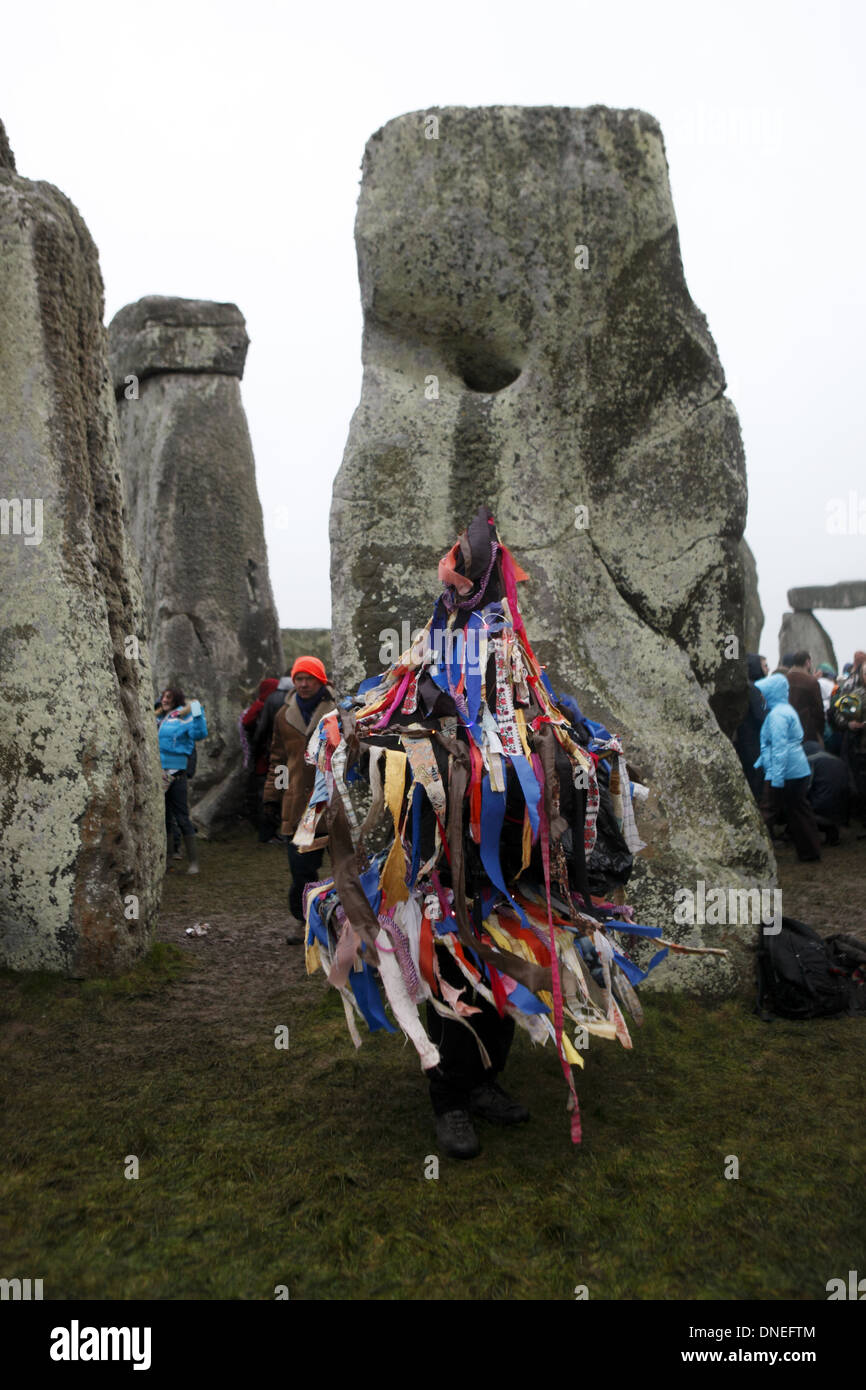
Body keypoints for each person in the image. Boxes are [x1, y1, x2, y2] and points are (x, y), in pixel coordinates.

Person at [263, 657, 337, 942]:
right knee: (302, 869)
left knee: (344, 866)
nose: (304, 684)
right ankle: (307, 922)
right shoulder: (284, 715)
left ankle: (346, 921)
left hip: (333, 801)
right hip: (298, 805)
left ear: (321, 681)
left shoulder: (337, 711)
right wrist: (272, 798)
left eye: (310, 679)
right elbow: (278, 759)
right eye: (299, 679)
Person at [754, 673, 821, 861]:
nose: (761, 696)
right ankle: (810, 852)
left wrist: (776, 777)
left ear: (772, 693)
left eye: (764, 692)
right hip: (798, 768)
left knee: (767, 811)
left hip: (784, 771)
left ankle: (755, 852)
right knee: (800, 811)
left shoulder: (777, 716)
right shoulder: (786, 710)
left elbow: (779, 748)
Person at [157, 689, 209, 874]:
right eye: (163, 696)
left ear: (177, 700)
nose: (164, 699)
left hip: (177, 772)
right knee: (164, 817)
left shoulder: (183, 717)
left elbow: (200, 733)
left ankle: (193, 862)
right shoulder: (160, 717)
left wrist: (197, 711)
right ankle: (168, 859)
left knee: (182, 817)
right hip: (159, 772)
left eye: (168, 697)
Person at [239, 677, 280, 841]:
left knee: (277, 794)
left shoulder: (260, 706)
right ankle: (267, 832)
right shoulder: (262, 707)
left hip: (271, 763)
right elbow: (248, 724)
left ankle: (272, 830)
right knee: (268, 797)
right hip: (265, 764)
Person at [830, 650, 866, 824]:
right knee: (860, 784)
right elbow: (839, 715)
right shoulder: (856, 694)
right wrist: (849, 724)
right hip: (859, 747)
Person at [733, 654, 768, 801]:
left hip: (743, 740)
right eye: (764, 665)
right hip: (753, 742)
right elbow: (761, 716)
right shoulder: (753, 689)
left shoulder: (744, 685)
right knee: (756, 783)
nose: (767, 669)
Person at [785, 651, 825, 747]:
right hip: (806, 731)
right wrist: (820, 732)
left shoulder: (784, 679)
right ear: (807, 662)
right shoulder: (811, 682)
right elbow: (818, 710)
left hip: (787, 729)